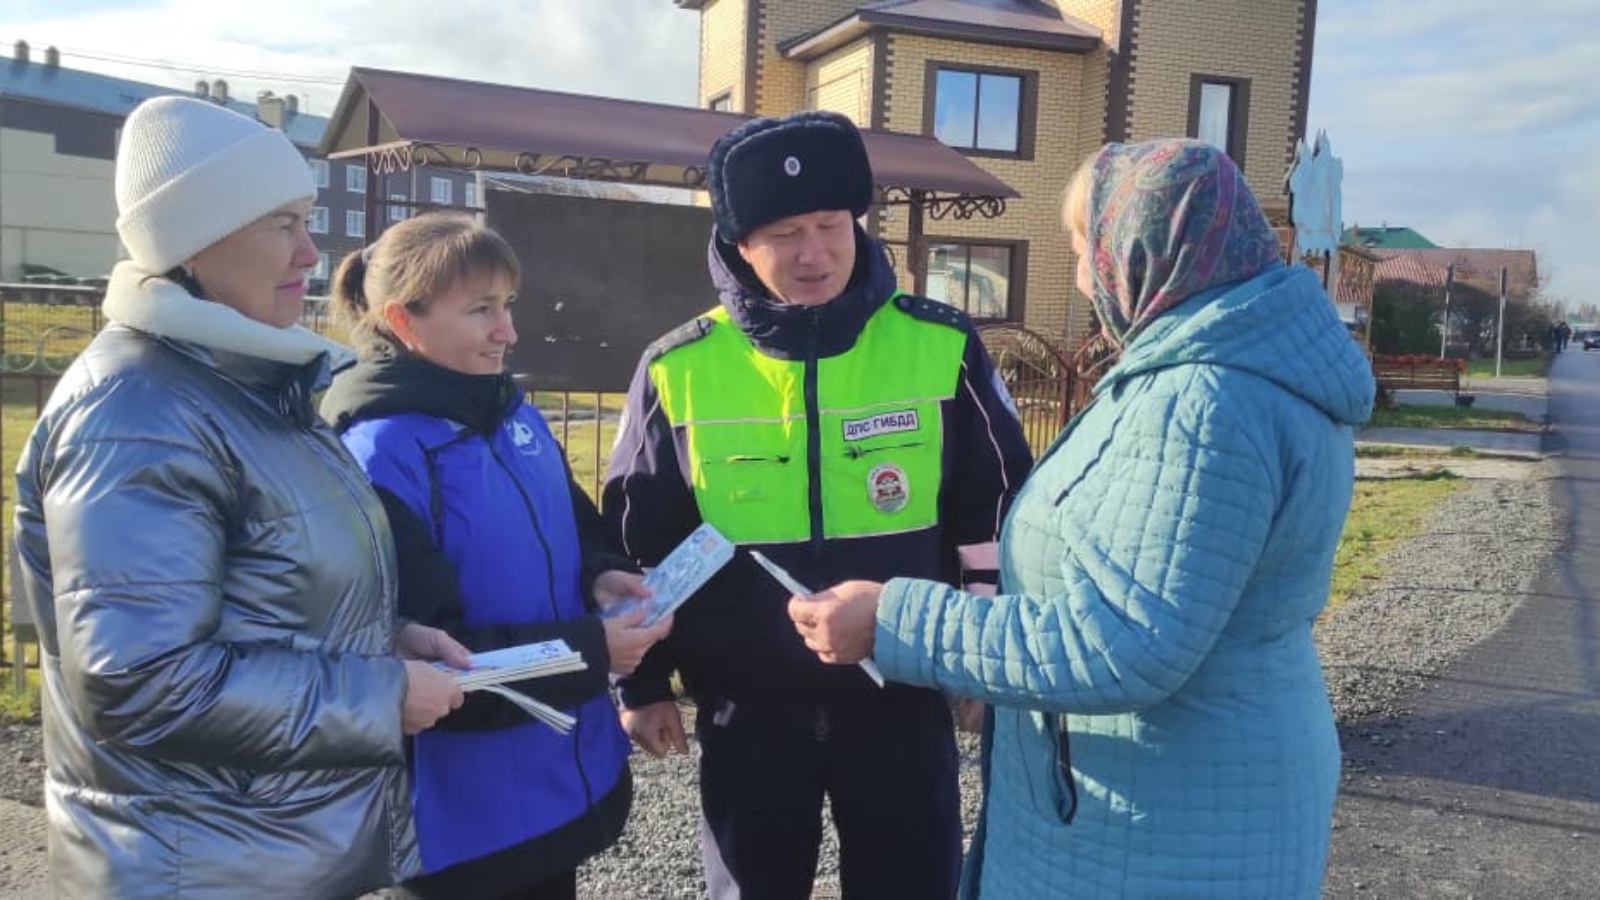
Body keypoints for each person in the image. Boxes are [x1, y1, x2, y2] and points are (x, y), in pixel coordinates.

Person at [791, 139, 1375, 899]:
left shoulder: (1204, 403)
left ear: (1143, 252)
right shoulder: (1214, 371)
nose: (1079, 276)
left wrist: (894, 620)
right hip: (1171, 793)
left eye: (1081, 250)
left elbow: (1119, 643)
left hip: (1164, 821)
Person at [11, 96, 467, 898]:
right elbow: (142, 681)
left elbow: (262, 597)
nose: (312, 252)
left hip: (265, 852)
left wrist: (385, 641)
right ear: (195, 240)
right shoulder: (136, 417)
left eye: (307, 221)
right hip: (197, 868)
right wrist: (381, 695)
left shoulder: (246, 390)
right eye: (283, 225)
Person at [603, 110, 1033, 900]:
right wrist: (643, 684)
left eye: (831, 225)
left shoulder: (940, 343)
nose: (814, 252)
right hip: (746, 712)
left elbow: (995, 507)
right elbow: (641, 539)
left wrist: (978, 655)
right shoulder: (677, 368)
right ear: (739, 244)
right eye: (785, 234)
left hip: (904, 697)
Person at [320, 212, 672, 900]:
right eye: (481, 310)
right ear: (403, 321)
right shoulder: (378, 454)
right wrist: (592, 650)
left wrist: (601, 575)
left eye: (508, 305)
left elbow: (577, 531)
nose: (508, 331)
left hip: (557, 787)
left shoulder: (516, 416)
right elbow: (426, 662)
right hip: (464, 826)